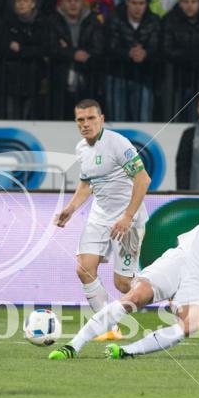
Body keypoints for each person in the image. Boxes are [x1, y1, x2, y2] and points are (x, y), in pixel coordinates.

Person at [49, 166, 199, 362]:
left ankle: (126, 352)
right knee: (136, 297)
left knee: (191, 325)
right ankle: (73, 346)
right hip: (182, 258)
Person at [53, 99, 151, 343]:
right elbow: (86, 183)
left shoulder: (118, 143)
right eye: (80, 120)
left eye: (91, 118)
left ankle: (172, 292)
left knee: (124, 284)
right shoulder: (81, 149)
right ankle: (109, 328)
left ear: (101, 119)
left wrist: (128, 216)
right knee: (83, 269)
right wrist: (71, 208)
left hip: (128, 219)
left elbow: (143, 179)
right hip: (99, 217)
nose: (85, 124)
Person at [49, 0, 104, 119]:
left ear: (82, 3)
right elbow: (50, 47)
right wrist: (73, 54)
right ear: (62, 3)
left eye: (76, 0)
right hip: (60, 82)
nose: (72, 4)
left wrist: (67, 49)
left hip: (87, 80)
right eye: (68, 1)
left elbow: (99, 48)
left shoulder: (92, 21)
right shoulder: (53, 21)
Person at [106, 0, 160, 122]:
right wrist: (129, 53)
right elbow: (109, 46)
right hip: (118, 76)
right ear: (127, 2)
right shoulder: (115, 18)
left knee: (144, 121)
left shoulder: (154, 20)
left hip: (144, 77)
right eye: (134, 3)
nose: (137, 7)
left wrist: (145, 54)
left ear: (146, 4)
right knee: (118, 122)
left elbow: (158, 47)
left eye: (141, 3)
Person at [0, 0, 48, 119]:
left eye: (25, 1)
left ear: (33, 4)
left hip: (34, 76)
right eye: (18, 1)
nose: (21, 4)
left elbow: (43, 49)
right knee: (11, 114)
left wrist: (21, 49)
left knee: (30, 115)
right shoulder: (8, 23)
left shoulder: (41, 23)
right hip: (12, 76)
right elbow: (4, 47)